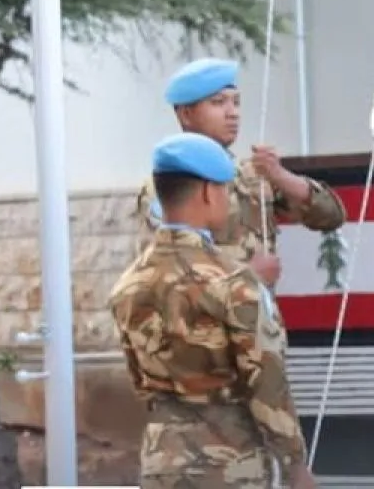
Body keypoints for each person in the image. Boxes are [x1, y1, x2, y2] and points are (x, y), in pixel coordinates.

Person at [109, 132, 317, 488]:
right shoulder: (233, 282)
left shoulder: (127, 284)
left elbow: (139, 380)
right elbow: (267, 384)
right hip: (229, 463)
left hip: (161, 461)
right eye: (225, 190)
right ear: (208, 192)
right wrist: (295, 465)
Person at [136, 57, 346, 294]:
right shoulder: (168, 185)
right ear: (186, 114)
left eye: (236, 102)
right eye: (218, 103)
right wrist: (247, 276)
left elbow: (331, 216)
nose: (232, 113)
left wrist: (279, 175)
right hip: (212, 315)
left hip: (258, 314)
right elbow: (166, 272)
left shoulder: (253, 175)